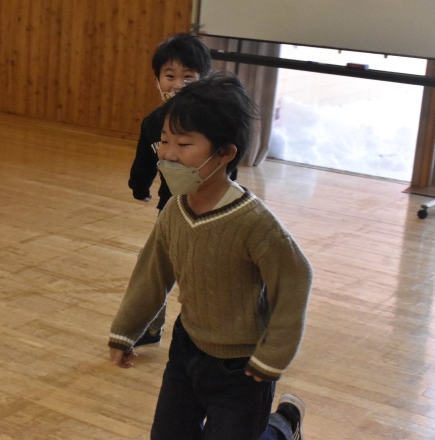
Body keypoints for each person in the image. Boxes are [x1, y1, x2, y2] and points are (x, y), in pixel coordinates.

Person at [109, 73, 313, 439]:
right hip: (187, 350)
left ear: (225, 153)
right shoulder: (174, 211)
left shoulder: (254, 223)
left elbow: (296, 279)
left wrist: (273, 356)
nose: (169, 153)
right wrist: (126, 331)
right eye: (165, 141)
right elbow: (152, 273)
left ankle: (283, 425)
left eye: (184, 144)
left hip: (243, 368)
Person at [128, 33, 238, 347]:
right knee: (153, 267)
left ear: (204, 81)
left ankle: (218, 332)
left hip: (214, 210)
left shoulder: (215, 123)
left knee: (208, 271)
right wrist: (139, 186)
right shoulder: (153, 122)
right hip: (172, 207)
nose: (178, 85)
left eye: (188, 77)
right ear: (157, 81)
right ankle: (150, 327)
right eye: (170, 76)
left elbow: (230, 165)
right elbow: (145, 159)